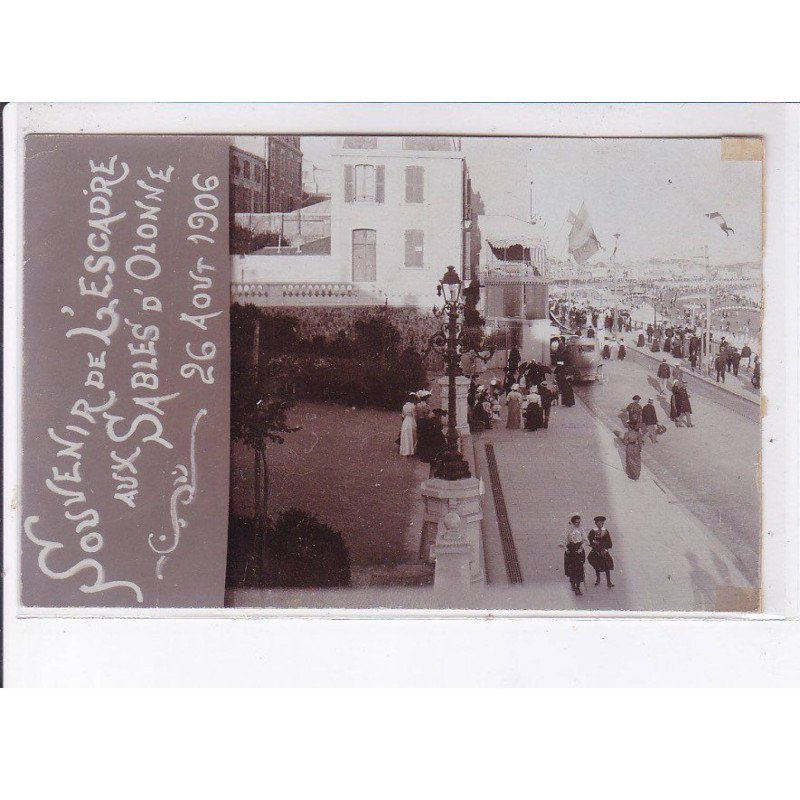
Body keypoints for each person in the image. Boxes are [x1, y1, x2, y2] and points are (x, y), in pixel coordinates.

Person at [560, 514, 588, 596]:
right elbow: (563, 540)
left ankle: (578, 587)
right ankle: (572, 583)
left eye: (579, 522)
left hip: (579, 550)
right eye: (576, 522)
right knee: (572, 569)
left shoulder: (581, 530)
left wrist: (581, 548)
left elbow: (585, 540)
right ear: (572, 522)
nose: (578, 524)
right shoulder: (568, 530)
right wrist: (566, 549)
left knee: (579, 569)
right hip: (571, 551)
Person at [588, 516, 615, 588]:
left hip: (604, 551)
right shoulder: (593, 531)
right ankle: (598, 579)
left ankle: (609, 582)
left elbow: (609, 543)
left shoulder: (605, 531)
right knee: (596, 564)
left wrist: (604, 547)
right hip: (596, 551)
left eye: (602, 522)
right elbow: (589, 541)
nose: (601, 524)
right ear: (596, 523)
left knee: (607, 565)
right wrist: (594, 543)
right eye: (599, 522)